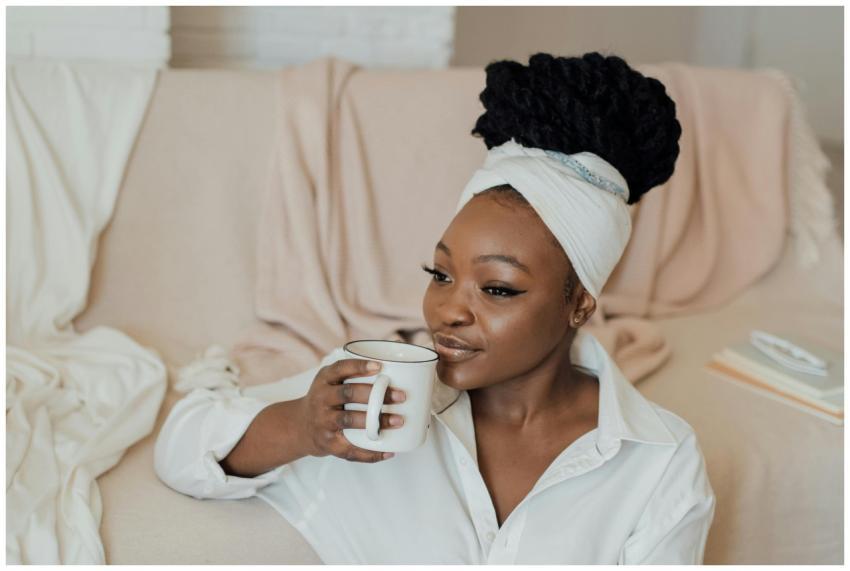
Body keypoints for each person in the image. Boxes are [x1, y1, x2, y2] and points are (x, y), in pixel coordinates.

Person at [154, 51, 715, 564]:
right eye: (440, 275)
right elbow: (184, 449)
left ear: (579, 304)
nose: (448, 310)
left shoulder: (657, 460)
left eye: (497, 289)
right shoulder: (372, 400)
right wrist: (301, 426)